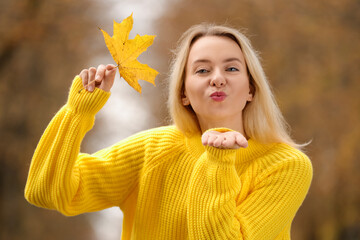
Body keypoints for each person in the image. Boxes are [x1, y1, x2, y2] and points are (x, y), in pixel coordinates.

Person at [25, 23, 313, 239]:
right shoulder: (152, 151)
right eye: (202, 70)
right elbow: (47, 191)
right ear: (183, 93)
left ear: (251, 88)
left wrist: (218, 162)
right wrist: (78, 112)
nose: (217, 79)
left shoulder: (286, 166)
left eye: (232, 69)